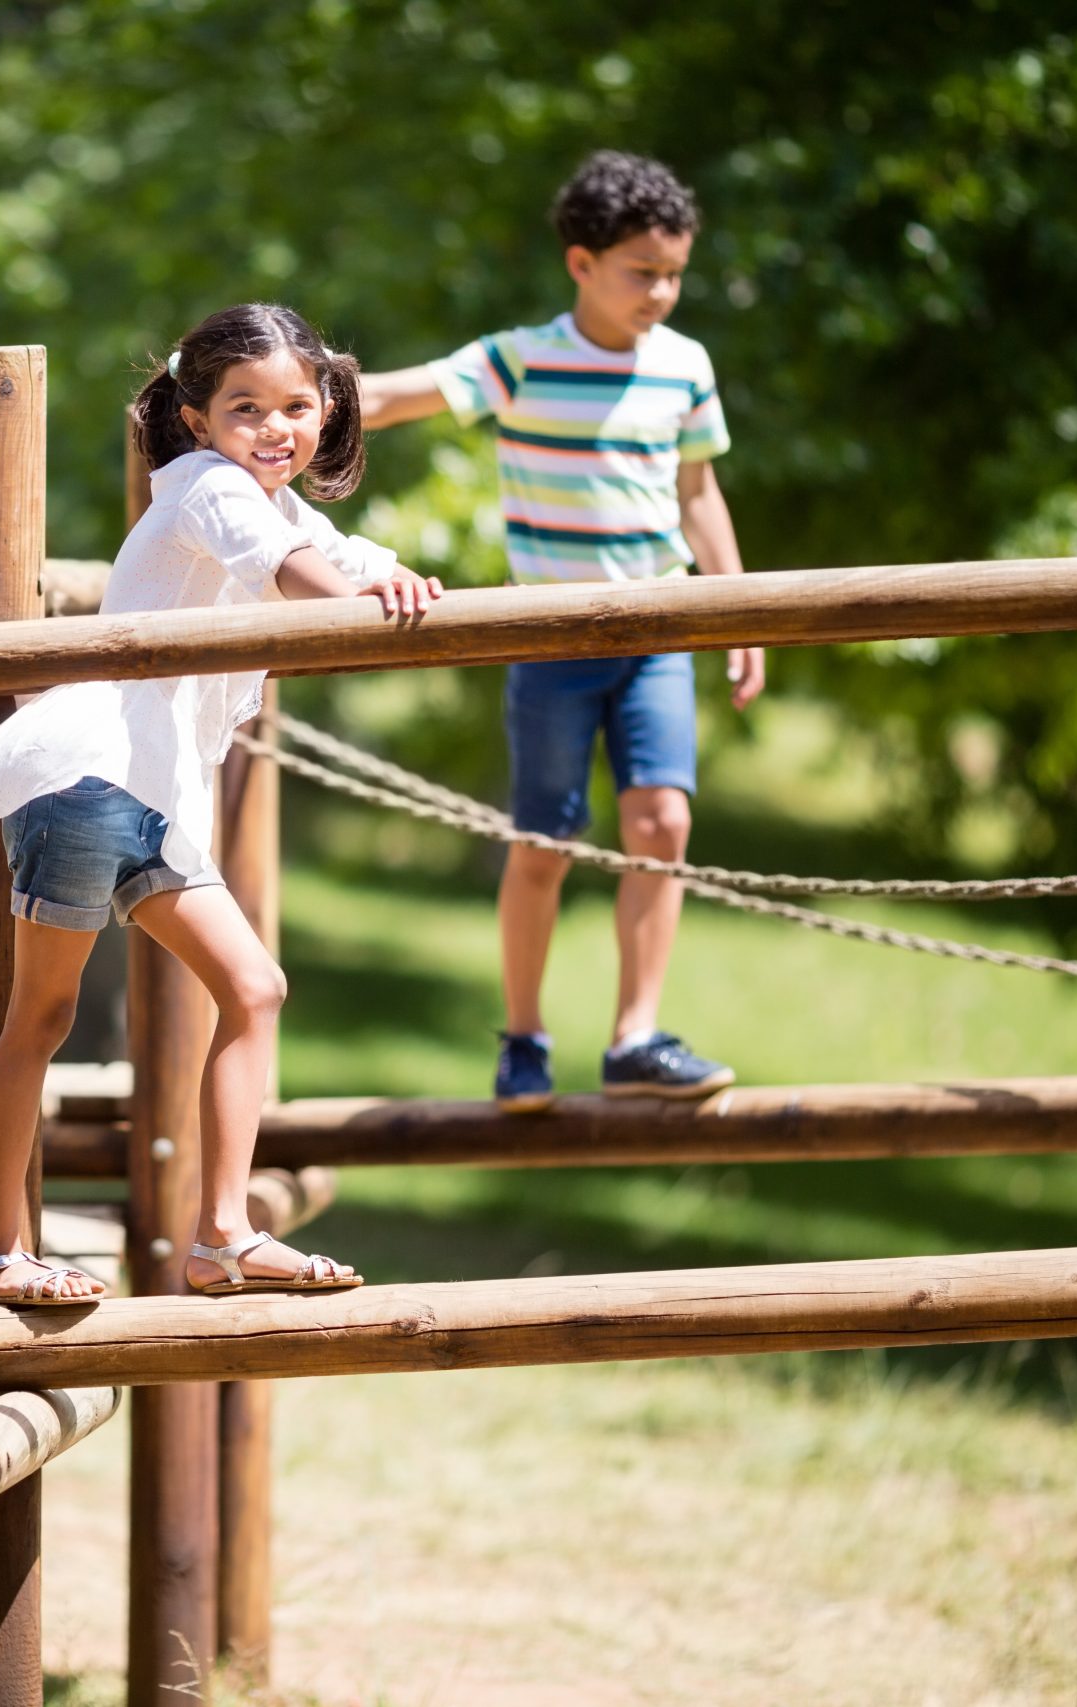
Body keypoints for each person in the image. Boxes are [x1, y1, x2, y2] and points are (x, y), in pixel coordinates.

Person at [0, 303, 442, 1305]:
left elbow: (339, 555)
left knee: (251, 989)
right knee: (40, 1014)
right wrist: (350, 594)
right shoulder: (206, 488)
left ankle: (220, 1234)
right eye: (246, 407)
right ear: (193, 418)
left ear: (328, 407)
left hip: (150, 799)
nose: (276, 428)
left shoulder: (277, 505)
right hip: (89, 775)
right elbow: (291, 570)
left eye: (296, 407)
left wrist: (398, 579)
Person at [361, 150, 759, 1111]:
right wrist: (260, 403)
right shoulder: (522, 358)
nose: (661, 292)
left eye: (674, 274)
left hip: (662, 624)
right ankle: (525, 1037)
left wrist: (741, 603)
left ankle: (636, 1036)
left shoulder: (684, 367)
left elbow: (697, 491)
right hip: (551, 638)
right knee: (544, 843)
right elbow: (390, 397)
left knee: (662, 823)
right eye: (641, 272)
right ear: (581, 263)